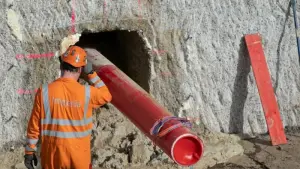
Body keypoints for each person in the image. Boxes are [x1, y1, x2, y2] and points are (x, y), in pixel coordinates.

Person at [23, 45, 112, 169]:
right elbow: (107, 95)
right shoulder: (87, 93)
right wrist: (91, 74)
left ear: (61, 66)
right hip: (79, 157)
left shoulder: (44, 92)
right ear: (81, 70)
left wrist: (29, 152)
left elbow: (34, 125)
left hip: (52, 156)